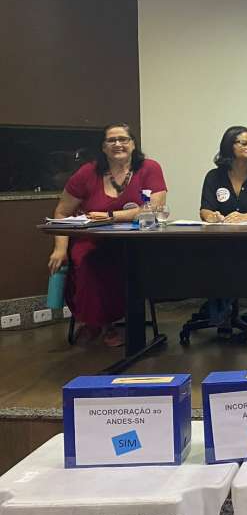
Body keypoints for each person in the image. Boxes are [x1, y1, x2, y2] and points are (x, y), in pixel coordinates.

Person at [47, 123, 167, 347]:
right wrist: (60, 249)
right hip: (93, 240)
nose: (118, 144)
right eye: (111, 140)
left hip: (137, 241)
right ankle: (100, 323)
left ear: (133, 144)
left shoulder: (149, 168)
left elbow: (155, 208)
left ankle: (112, 322)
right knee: (88, 261)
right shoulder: (87, 172)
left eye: (123, 139)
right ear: (103, 147)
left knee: (130, 264)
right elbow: (62, 212)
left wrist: (111, 216)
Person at [199, 126, 247, 331]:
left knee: (230, 262)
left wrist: (244, 217)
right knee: (214, 260)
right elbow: (205, 209)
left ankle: (222, 312)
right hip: (221, 241)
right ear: (229, 146)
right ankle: (222, 310)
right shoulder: (214, 176)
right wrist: (212, 216)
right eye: (244, 143)